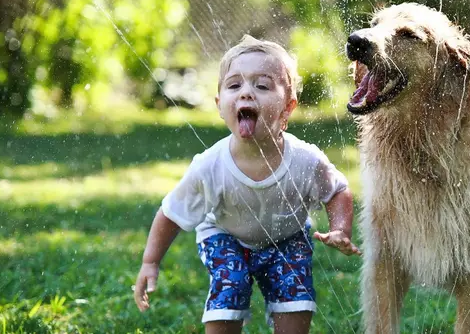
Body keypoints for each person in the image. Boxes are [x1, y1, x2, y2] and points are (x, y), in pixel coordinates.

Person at [133, 35, 360, 334]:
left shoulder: (305, 159)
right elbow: (171, 213)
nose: (246, 93)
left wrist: (340, 229)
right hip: (225, 236)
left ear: (287, 107)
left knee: (296, 299)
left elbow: (337, 191)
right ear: (219, 104)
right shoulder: (209, 166)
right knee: (232, 282)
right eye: (234, 85)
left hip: (287, 238)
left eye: (262, 85)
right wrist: (150, 262)